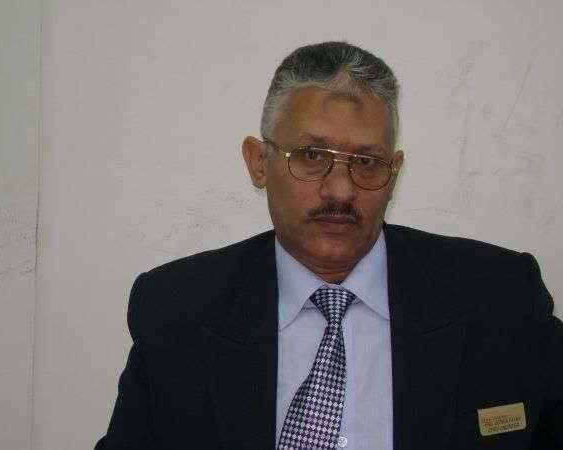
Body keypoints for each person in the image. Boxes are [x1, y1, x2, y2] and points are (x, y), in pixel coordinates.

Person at [95, 41, 562, 449]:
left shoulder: (501, 299)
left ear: (394, 174)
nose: (340, 190)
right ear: (258, 162)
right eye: (312, 156)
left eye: (368, 161)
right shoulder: (178, 311)